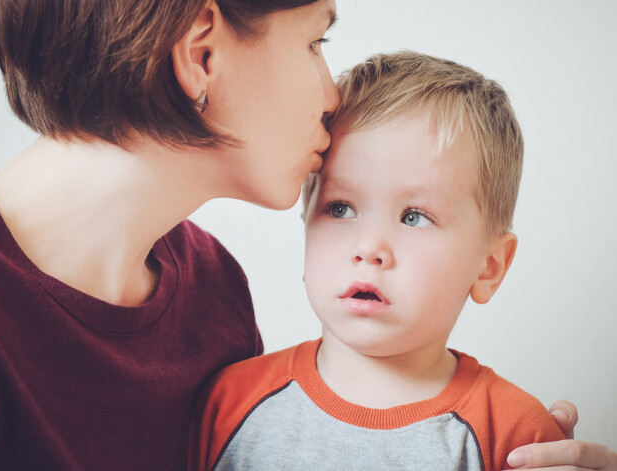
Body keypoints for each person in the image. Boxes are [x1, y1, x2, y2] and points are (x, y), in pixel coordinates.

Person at [0, 0, 613, 469]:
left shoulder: (212, 287)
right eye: (314, 43)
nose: (333, 95)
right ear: (202, 52)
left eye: (414, 216)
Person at [188, 51, 617, 471]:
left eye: (414, 217)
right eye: (340, 208)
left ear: (489, 267)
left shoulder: (516, 438)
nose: (369, 247)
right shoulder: (229, 405)